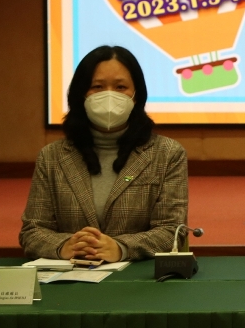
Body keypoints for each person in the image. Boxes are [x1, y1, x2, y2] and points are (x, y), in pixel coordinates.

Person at [19, 45, 188, 262]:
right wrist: (65, 246)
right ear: (81, 94)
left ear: (137, 95)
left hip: (137, 278)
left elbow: (172, 231)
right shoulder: (52, 156)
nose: (109, 95)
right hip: (71, 276)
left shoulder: (167, 154)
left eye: (120, 87)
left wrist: (121, 248)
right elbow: (33, 231)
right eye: (97, 87)